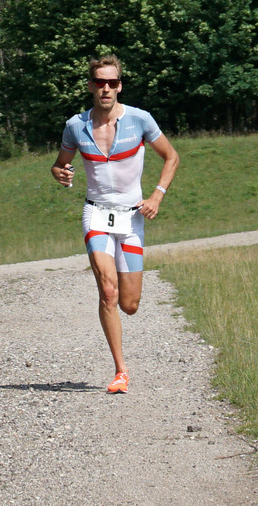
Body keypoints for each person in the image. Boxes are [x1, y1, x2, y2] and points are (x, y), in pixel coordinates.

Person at [50, 55, 179, 393]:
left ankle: (123, 335)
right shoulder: (75, 125)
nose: (105, 88)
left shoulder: (140, 120)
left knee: (129, 304)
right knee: (107, 291)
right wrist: (60, 173)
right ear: (91, 85)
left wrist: (156, 196)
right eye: (98, 82)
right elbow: (59, 163)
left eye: (112, 83)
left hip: (132, 217)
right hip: (96, 214)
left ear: (119, 85)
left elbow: (172, 156)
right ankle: (121, 371)